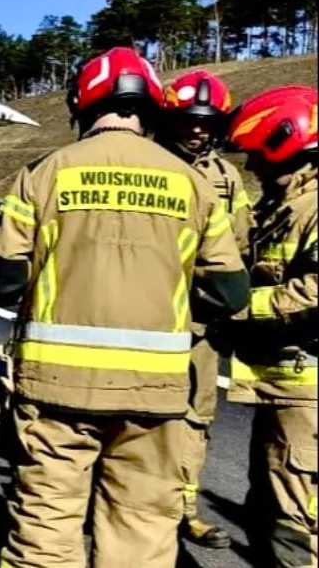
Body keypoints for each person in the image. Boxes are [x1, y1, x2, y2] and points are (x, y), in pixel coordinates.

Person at [0, 46, 250, 568]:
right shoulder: (193, 182)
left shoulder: (44, 173)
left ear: (83, 102)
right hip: (158, 391)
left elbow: (1, 280)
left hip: (57, 388)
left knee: (46, 528)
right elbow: (229, 292)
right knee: (142, 528)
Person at [217, 84, 317, 568]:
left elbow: (314, 293)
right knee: (266, 513)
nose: (252, 166)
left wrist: (238, 307)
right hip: (281, 387)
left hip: (307, 396)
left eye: (257, 154)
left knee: (294, 529)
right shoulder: (284, 207)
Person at [158, 69, 252, 549]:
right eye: (188, 120)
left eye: (207, 122)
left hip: (199, 323)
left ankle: (184, 511)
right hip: (149, 316)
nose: (197, 130)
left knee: (196, 418)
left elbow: (240, 244)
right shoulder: (147, 164)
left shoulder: (226, 177)